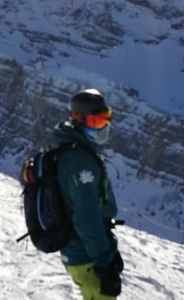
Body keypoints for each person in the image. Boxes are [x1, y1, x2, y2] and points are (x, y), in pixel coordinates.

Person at [54, 89, 123, 299]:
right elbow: (86, 219)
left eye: (106, 120)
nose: (103, 127)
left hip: (81, 252)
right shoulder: (80, 163)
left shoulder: (75, 153)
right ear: (79, 121)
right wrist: (104, 263)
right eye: (97, 121)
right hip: (85, 256)